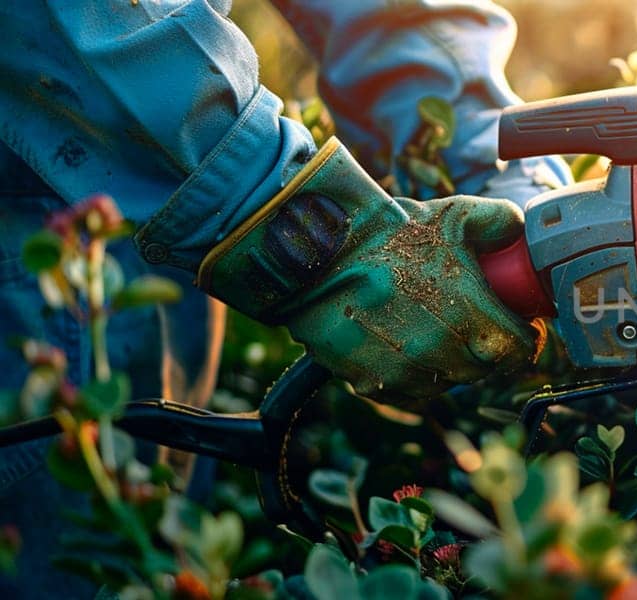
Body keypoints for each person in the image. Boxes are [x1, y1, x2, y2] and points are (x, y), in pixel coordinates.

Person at [0, 1, 569, 596]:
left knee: (145, 550)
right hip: (35, 248)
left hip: (168, 240)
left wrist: (505, 182)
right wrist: (323, 246)